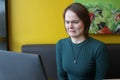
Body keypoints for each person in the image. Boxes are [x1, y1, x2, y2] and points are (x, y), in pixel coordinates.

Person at [56, 2, 108, 80]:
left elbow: (100, 78)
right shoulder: (60, 45)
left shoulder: (99, 48)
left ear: (85, 23)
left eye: (75, 22)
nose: (70, 26)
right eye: (67, 22)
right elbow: (61, 76)